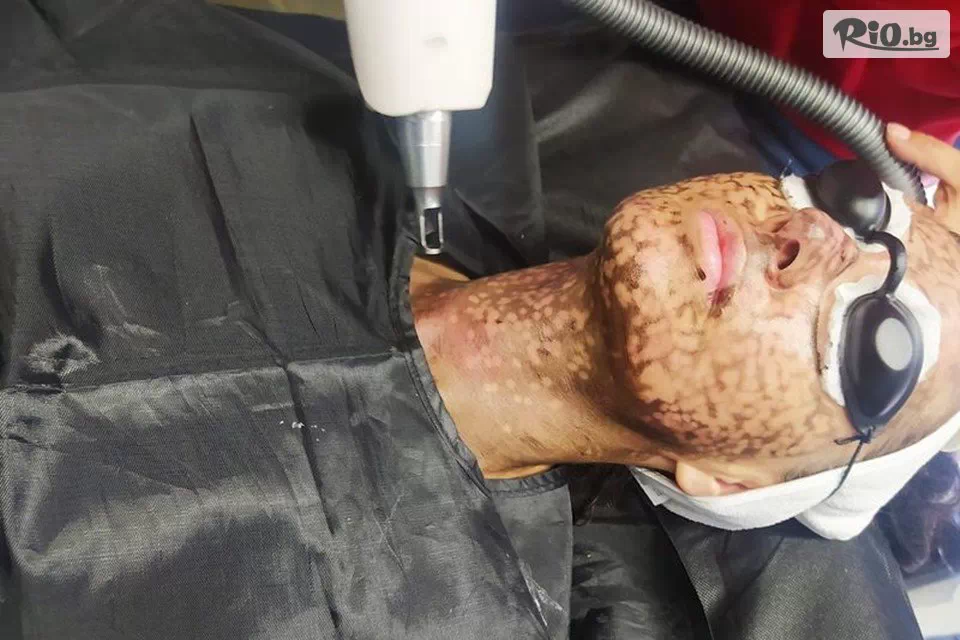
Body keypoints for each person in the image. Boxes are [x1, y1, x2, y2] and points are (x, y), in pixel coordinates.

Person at [0, 2, 950, 638]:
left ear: (731, 481)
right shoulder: (336, 123)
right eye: (857, 204)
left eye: (880, 344)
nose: (817, 237)